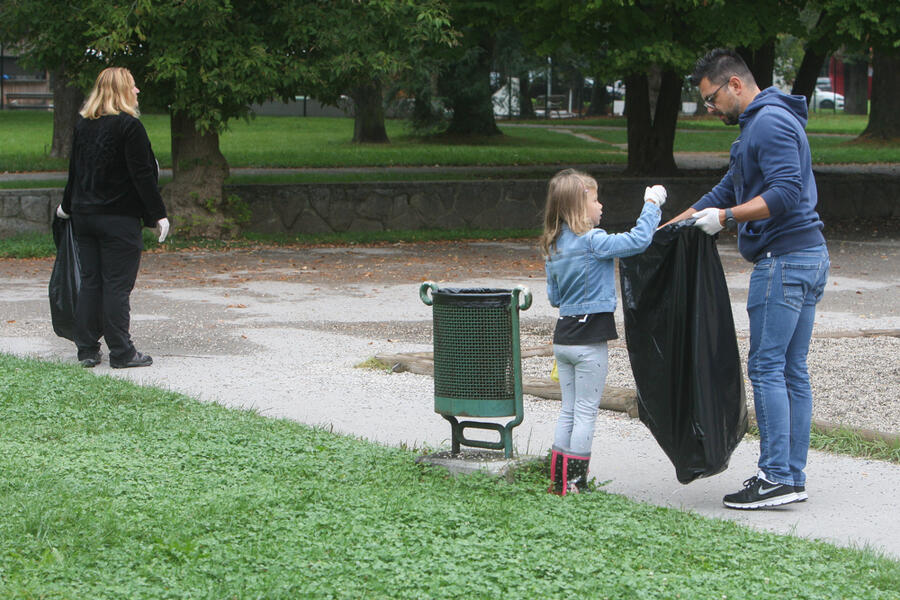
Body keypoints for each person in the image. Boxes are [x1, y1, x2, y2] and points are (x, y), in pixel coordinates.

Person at [667, 49, 829, 509]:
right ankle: (790, 477)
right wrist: (676, 225)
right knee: (790, 370)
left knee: (767, 368)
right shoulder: (758, 124)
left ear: (735, 84)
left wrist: (727, 218)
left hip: (785, 261)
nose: (710, 108)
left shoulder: (770, 123)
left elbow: (784, 193)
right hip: (806, 257)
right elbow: (728, 188)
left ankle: (776, 475)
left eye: (712, 98)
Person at [540, 168, 666, 495]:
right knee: (585, 411)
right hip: (589, 338)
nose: (601, 205)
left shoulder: (553, 247)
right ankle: (576, 483)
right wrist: (652, 204)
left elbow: (554, 298)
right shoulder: (594, 240)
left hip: (563, 337)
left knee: (568, 409)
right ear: (580, 207)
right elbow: (638, 240)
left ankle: (558, 481)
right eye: (595, 199)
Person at [56, 67, 169, 369]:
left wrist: (67, 206)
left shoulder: (84, 126)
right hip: (118, 218)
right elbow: (142, 175)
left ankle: (87, 350)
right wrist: (158, 214)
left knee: (91, 282)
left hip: (85, 216)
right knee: (117, 285)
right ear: (122, 91)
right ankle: (122, 352)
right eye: (133, 86)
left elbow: (75, 172)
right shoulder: (129, 127)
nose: (137, 91)